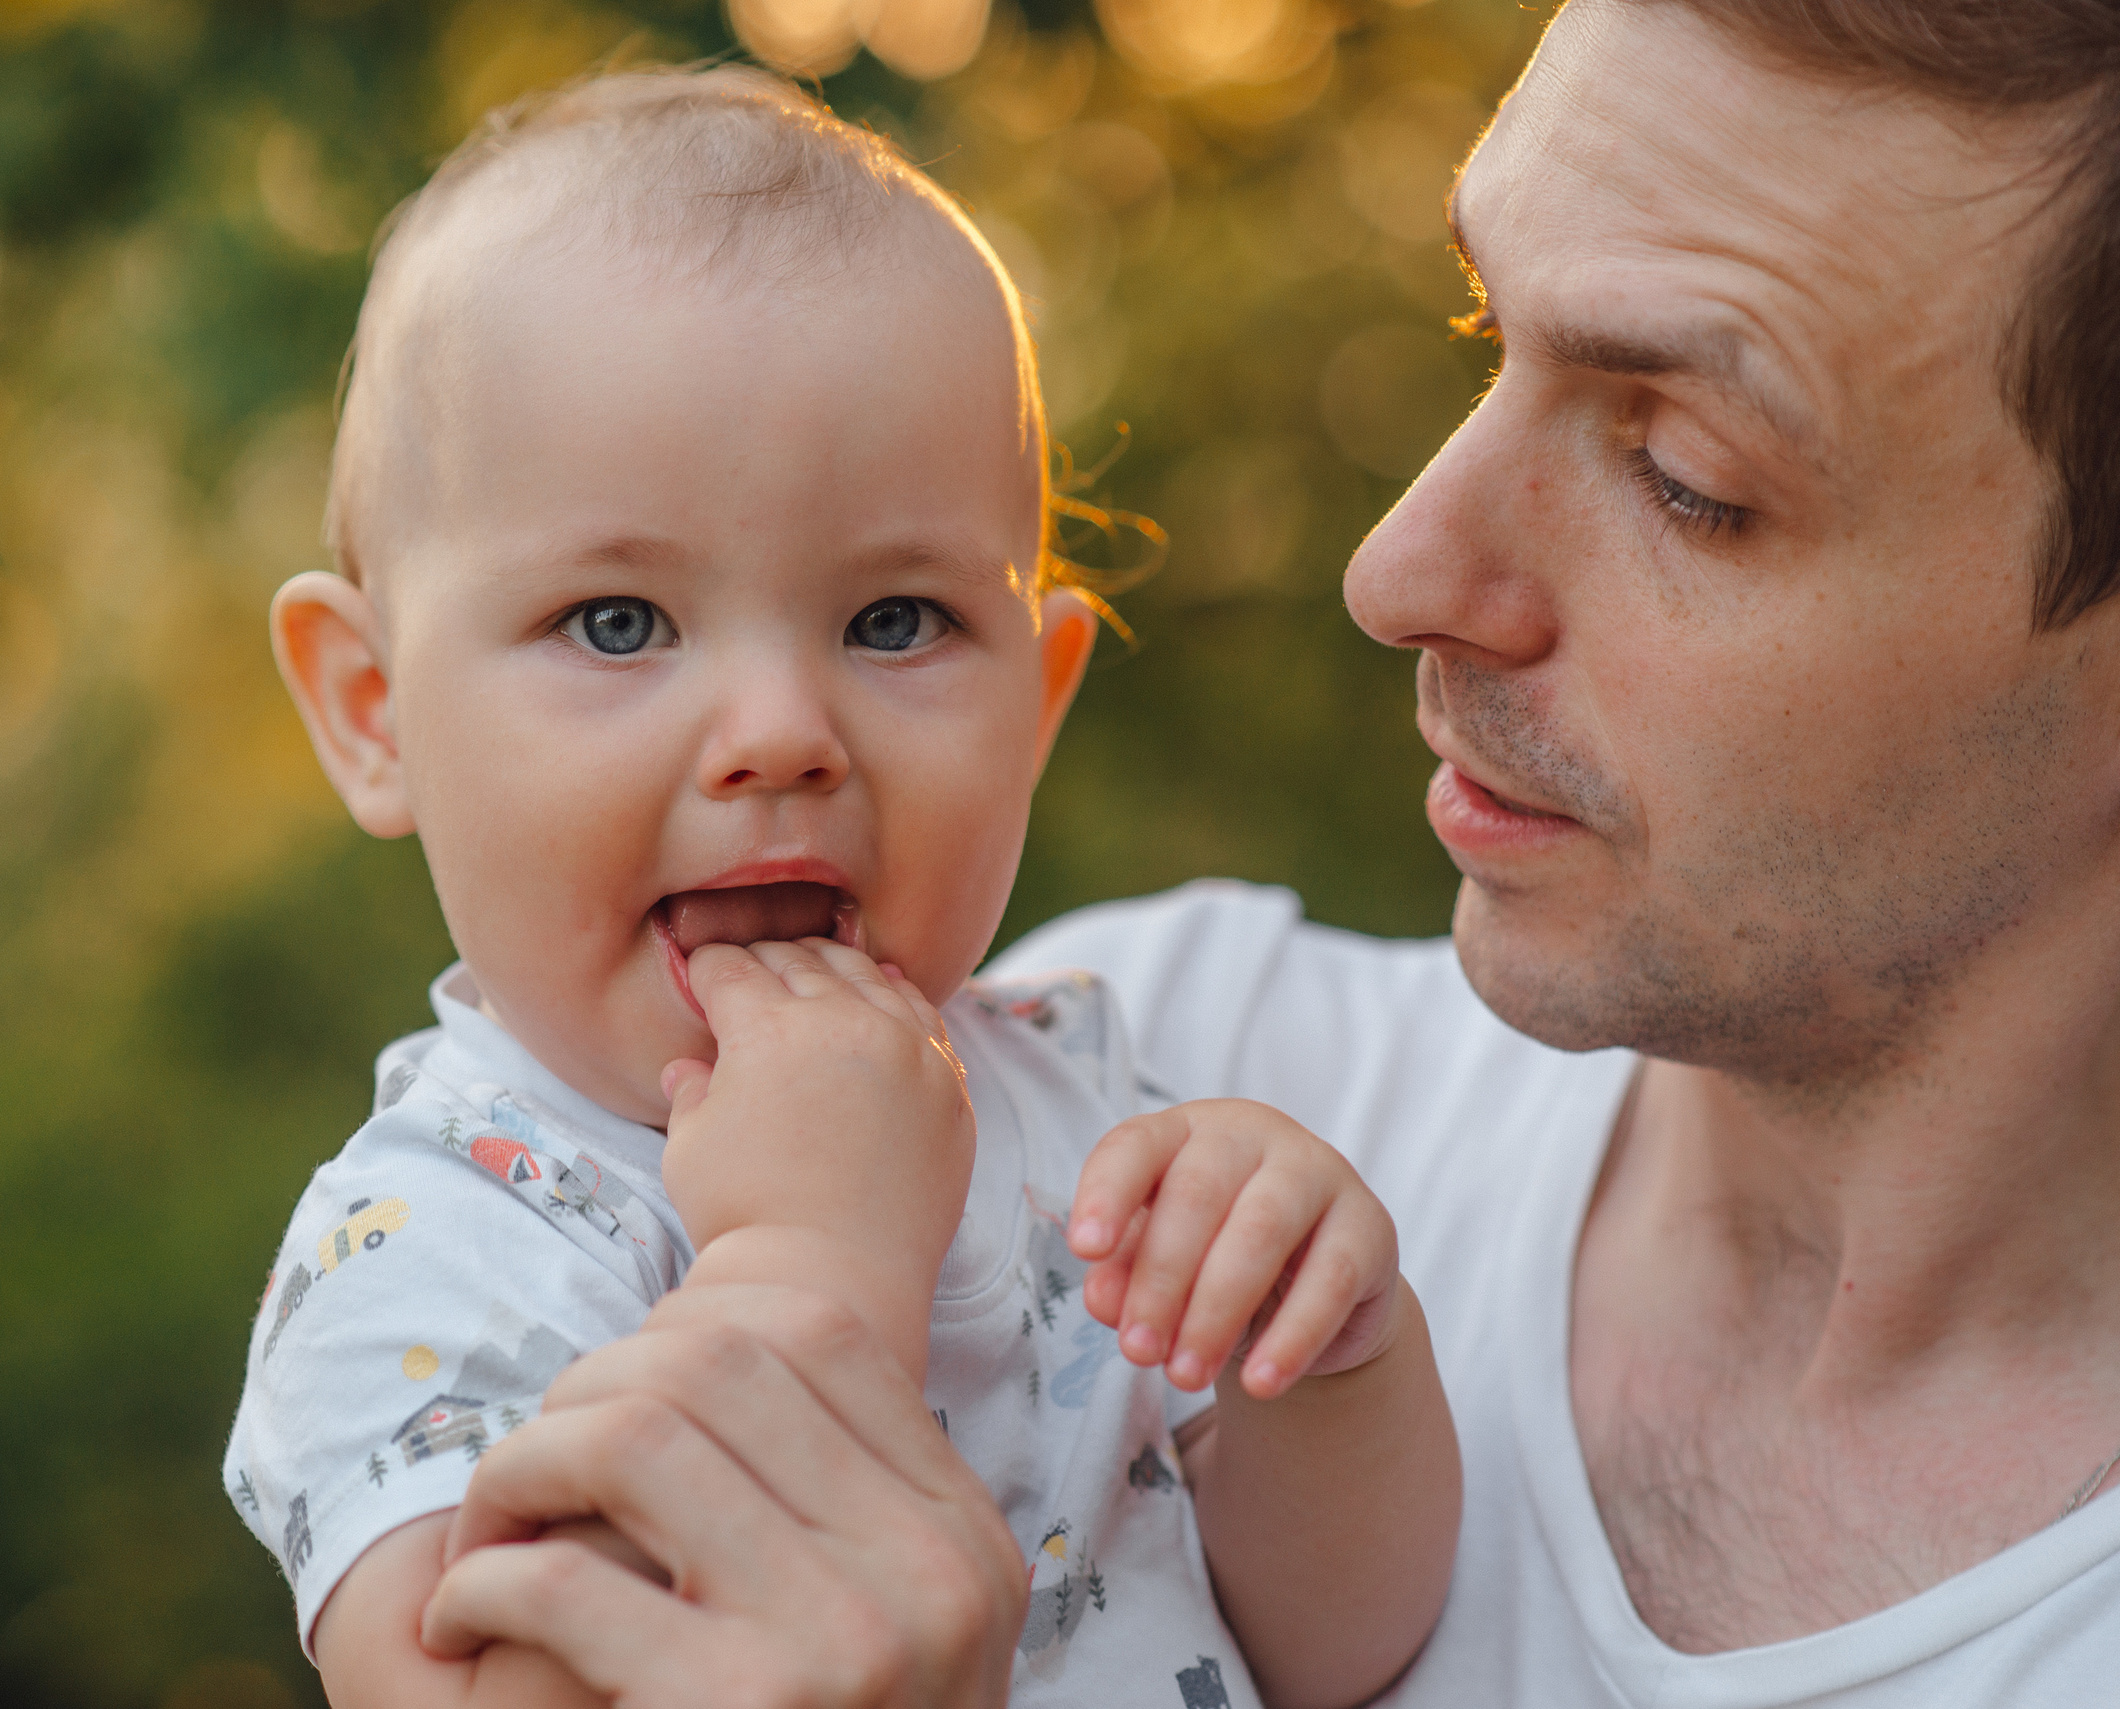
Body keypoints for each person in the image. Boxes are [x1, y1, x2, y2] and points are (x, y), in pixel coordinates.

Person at [393, 1, 2120, 1704]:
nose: (1398, 572)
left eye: (1684, 477)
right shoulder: (1159, 1049)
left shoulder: (1189, 1179)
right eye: (1479, 335)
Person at [224, 66, 1462, 1709]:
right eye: (618, 622)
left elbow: (1329, 1644)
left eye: (894, 622)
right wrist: (809, 1261)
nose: (781, 734)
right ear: (374, 713)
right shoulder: (433, 1245)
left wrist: (1328, 1364)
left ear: (1038, 705)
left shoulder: (1082, 1106)